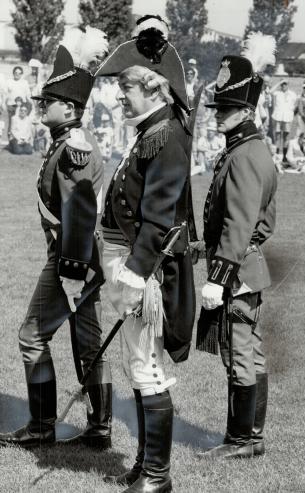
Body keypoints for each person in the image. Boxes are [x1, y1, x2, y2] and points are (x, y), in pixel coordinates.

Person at [96, 14, 196, 493]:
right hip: (135, 266)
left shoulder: (167, 136)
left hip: (148, 271)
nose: (119, 95)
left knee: (148, 366)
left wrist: (135, 275)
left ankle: (158, 475)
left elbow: (158, 216)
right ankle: (144, 464)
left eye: (127, 87)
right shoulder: (149, 130)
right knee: (137, 364)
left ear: (154, 89)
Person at [0, 27, 113, 450]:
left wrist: (70, 271)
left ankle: (42, 424)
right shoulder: (64, 143)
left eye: (47, 102)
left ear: (68, 109)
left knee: (32, 336)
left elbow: (81, 216)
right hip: (84, 260)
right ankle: (99, 426)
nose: (40, 107)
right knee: (88, 342)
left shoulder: (73, 150)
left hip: (73, 260)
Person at [196, 47, 277, 459]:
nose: (217, 114)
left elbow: (239, 224)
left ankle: (242, 440)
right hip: (244, 264)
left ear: (245, 111)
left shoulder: (245, 155)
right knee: (248, 350)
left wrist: (218, 277)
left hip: (238, 268)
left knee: (239, 352)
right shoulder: (248, 148)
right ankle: (251, 436)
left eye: (226, 108)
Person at [271, 78, 297, 163]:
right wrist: (279, 83)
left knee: (286, 137)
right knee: (277, 136)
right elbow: (270, 91)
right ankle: (278, 155)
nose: (284, 85)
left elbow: (295, 105)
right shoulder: (277, 93)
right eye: (282, 84)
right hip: (278, 117)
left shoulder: (292, 94)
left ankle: (285, 156)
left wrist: (291, 112)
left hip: (287, 118)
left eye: (285, 84)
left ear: (288, 85)